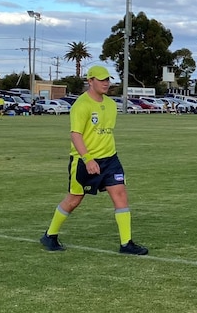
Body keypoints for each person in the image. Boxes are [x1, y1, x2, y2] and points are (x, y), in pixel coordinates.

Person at [40, 65, 148, 255]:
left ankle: (126, 244)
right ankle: (50, 235)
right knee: (74, 200)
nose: (106, 83)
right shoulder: (81, 105)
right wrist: (88, 159)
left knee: (120, 194)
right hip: (84, 160)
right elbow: (76, 135)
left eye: (107, 79)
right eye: (101, 79)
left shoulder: (111, 104)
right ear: (90, 81)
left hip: (110, 159)